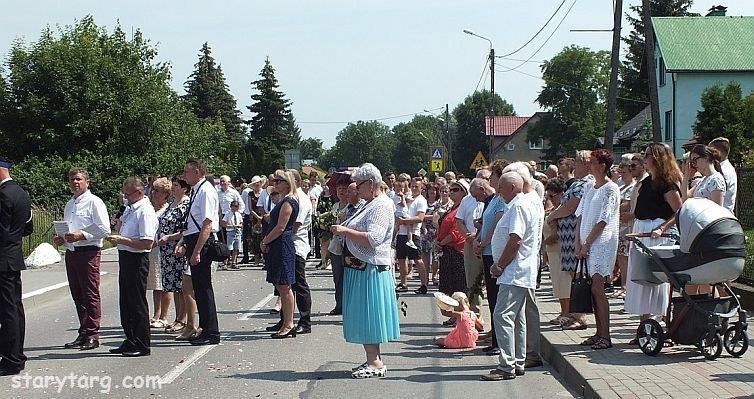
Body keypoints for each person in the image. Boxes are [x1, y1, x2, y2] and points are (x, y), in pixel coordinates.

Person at [330, 163, 400, 379]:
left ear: (371, 184)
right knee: (363, 314)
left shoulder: (381, 205)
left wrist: (345, 231)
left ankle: (375, 361)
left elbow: (374, 239)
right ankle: (372, 357)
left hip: (369, 267)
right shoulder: (370, 203)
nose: (356, 190)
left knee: (368, 314)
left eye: (358, 185)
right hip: (360, 266)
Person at [625, 143, 683, 345]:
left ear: (658, 158)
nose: (644, 158)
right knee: (641, 281)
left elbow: (679, 211)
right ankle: (644, 329)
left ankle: (662, 329)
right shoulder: (647, 182)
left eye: (648, 155)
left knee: (658, 282)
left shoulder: (667, 184)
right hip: (642, 233)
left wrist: (662, 228)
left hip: (657, 234)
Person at [482, 172, 538, 381]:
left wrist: (499, 265)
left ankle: (507, 366)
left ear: (513, 187)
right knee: (517, 318)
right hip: (519, 270)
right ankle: (518, 361)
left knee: (502, 315)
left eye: (502, 188)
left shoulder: (518, 206)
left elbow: (515, 240)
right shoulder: (519, 204)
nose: (498, 192)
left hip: (513, 270)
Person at [55, 168, 110, 351]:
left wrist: (81, 235)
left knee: (90, 293)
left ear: (87, 182)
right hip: (72, 252)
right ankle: (84, 330)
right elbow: (69, 228)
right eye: (72, 179)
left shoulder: (94, 202)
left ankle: (93, 334)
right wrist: (62, 238)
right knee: (77, 293)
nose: (75, 182)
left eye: (78, 179)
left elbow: (104, 229)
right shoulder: (70, 204)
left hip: (88, 251)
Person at [106, 177, 158, 357]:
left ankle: (142, 343)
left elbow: (146, 242)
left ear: (139, 193)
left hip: (137, 259)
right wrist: (118, 227)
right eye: (124, 194)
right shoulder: (130, 209)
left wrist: (122, 240)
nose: (125, 198)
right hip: (126, 257)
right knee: (126, 302)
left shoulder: (145, 212)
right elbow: (126, 231)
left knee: (137, 303)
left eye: (128, 194)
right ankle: (130, 338)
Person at [574, 149, 620, 350]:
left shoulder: (611, 189)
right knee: (592, 288)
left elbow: (604, 219)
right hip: (586, 241)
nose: (589, 165)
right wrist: (578, 241)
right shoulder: (590, 188)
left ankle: (606, 335)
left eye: (592, 162)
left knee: (597, 287)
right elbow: (580, 214)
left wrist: (588, 243)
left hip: (601, 243)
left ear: (602, 165)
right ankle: (598, 332)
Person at [546, 152, 594, 331]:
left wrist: (553, 215)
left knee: (577, 275)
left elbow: (572, 205)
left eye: (579, 161)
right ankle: (574, 313)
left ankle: (579, 315)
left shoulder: (585, 183)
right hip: (568, 236)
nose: (576, 164)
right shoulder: (578, 183)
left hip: (575, 234)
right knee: (572, 274)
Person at [181, 159, 222, 346]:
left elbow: (207, 223)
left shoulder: (205, 191)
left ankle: (211, 332)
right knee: (198, 287)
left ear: (197, 172)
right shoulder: (198, 190)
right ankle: (205, 328)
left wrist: (197, 251)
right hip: (193, 239)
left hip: (201, 242)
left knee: (204, 288)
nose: (184, 176)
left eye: (186, 172)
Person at [0, 157, 32, 375]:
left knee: (8, 311)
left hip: (3, 259)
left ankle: (11, 359)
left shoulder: (3, 195)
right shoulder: (20, 192)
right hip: (13, 256)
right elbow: (28, 228)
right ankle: (17, 354)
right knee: (14, 309)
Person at [260, 169, 300, 339]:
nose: (275, 184)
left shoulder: (288, 202)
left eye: (278, 181)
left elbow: (281, 227)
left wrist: (265, 241)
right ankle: (286, 322)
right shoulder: (284, 200)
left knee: (285, 285)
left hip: (282, 244)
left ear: (286, 183)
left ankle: (289, 323)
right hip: (279, 244)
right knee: (281, 285)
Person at [157, 177, 192, 336]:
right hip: (167, 252)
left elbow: (185, 230)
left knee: (181, 286)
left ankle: (183, 319)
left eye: (176, 185)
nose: (173, 188)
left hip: (178, 249)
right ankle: (178, 318)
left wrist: (169, 238)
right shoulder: (172, 203)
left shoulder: (185, 205)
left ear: (184, 188)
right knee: (174, 286)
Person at [543, 178, 570, 324]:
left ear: (561, 194)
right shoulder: (553, 210)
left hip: (561, 250)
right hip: (552, 252)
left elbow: (557, 235)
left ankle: (567, 312)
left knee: (564, 283)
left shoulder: (563, 210)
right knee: (557, 284)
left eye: (553, 196)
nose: (550, 199)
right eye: (548, 196)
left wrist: (544, 243)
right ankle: (562, 311)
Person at [436, 181, 468, 298]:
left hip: (456, 251)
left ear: (464, 193)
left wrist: (441, 243)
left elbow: (456, 232)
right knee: (448, 288)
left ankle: (461, 314)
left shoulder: (462, 208)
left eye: (456, 190)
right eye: (451, 189)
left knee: (457, 289)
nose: (451, 192)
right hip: (447, 251)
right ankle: (453, 315)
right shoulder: (451, 208)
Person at [147, 178, 171, 328]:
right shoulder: (151, 209)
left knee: (164, 284)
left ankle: (164, 316)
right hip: (152, 250)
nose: (154, 193)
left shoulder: (166, 210)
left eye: (157, 191)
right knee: (156, 283)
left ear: (165, 194)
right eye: (153, 190)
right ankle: (156, 314)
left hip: (163, 249)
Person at [708, 137, 737, 213]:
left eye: (711, 151)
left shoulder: (724, 171)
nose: (709, 155)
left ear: (718, 151)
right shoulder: (723, 168)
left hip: (722, 216)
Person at [223, 200, 244, 269]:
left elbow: (241, 222)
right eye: (233, 206)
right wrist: (230, 226)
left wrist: (239, 226)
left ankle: (234, 262)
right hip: (230, 232)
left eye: (236, 207)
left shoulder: (238, 214)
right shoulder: (228, 214)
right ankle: (225, 262)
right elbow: (224, 223)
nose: (234, 208)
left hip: (237, 232)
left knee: (236, 248)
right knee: (229, 248)